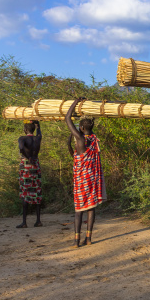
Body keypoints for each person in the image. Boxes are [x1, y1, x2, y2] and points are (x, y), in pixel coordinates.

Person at [65, 99, 106, 248]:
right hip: (93, 179)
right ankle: (88, 238)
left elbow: (67, 118)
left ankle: (76, 241)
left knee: (78, 210)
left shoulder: (81, 140)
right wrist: (69, 145)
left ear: (80, 128)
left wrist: (76, 102)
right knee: (91, 208)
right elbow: (77, 156)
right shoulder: (94, 140)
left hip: (82, 180)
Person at [17, 120, 43, 228]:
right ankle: (38, 221)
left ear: (25, 130)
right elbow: (39, 133)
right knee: (37, 190)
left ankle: (24, 222)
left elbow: (21, 148)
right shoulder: (38, 138)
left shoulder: (22, 138)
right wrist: (38, 126)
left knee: (25, 191)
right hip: (36, 165)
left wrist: (28, 158)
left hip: (26, 165)